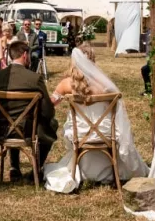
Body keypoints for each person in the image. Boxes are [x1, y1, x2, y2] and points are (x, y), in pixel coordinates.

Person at [43, 44, 148, 192]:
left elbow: (51, 102)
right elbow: (117, 109)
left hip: (79, 133)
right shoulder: (105, 85)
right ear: (92, 59)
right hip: (105, 133)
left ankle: (79, 171)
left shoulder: (66, 84)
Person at [0, 41, 58, 181]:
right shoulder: (34, 78)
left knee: (12, 118)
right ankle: (36, 169)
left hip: (1, 130)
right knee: (52, 124)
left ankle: (14, 167)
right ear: (25, 55)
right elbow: (48, 112)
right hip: (27, 131)